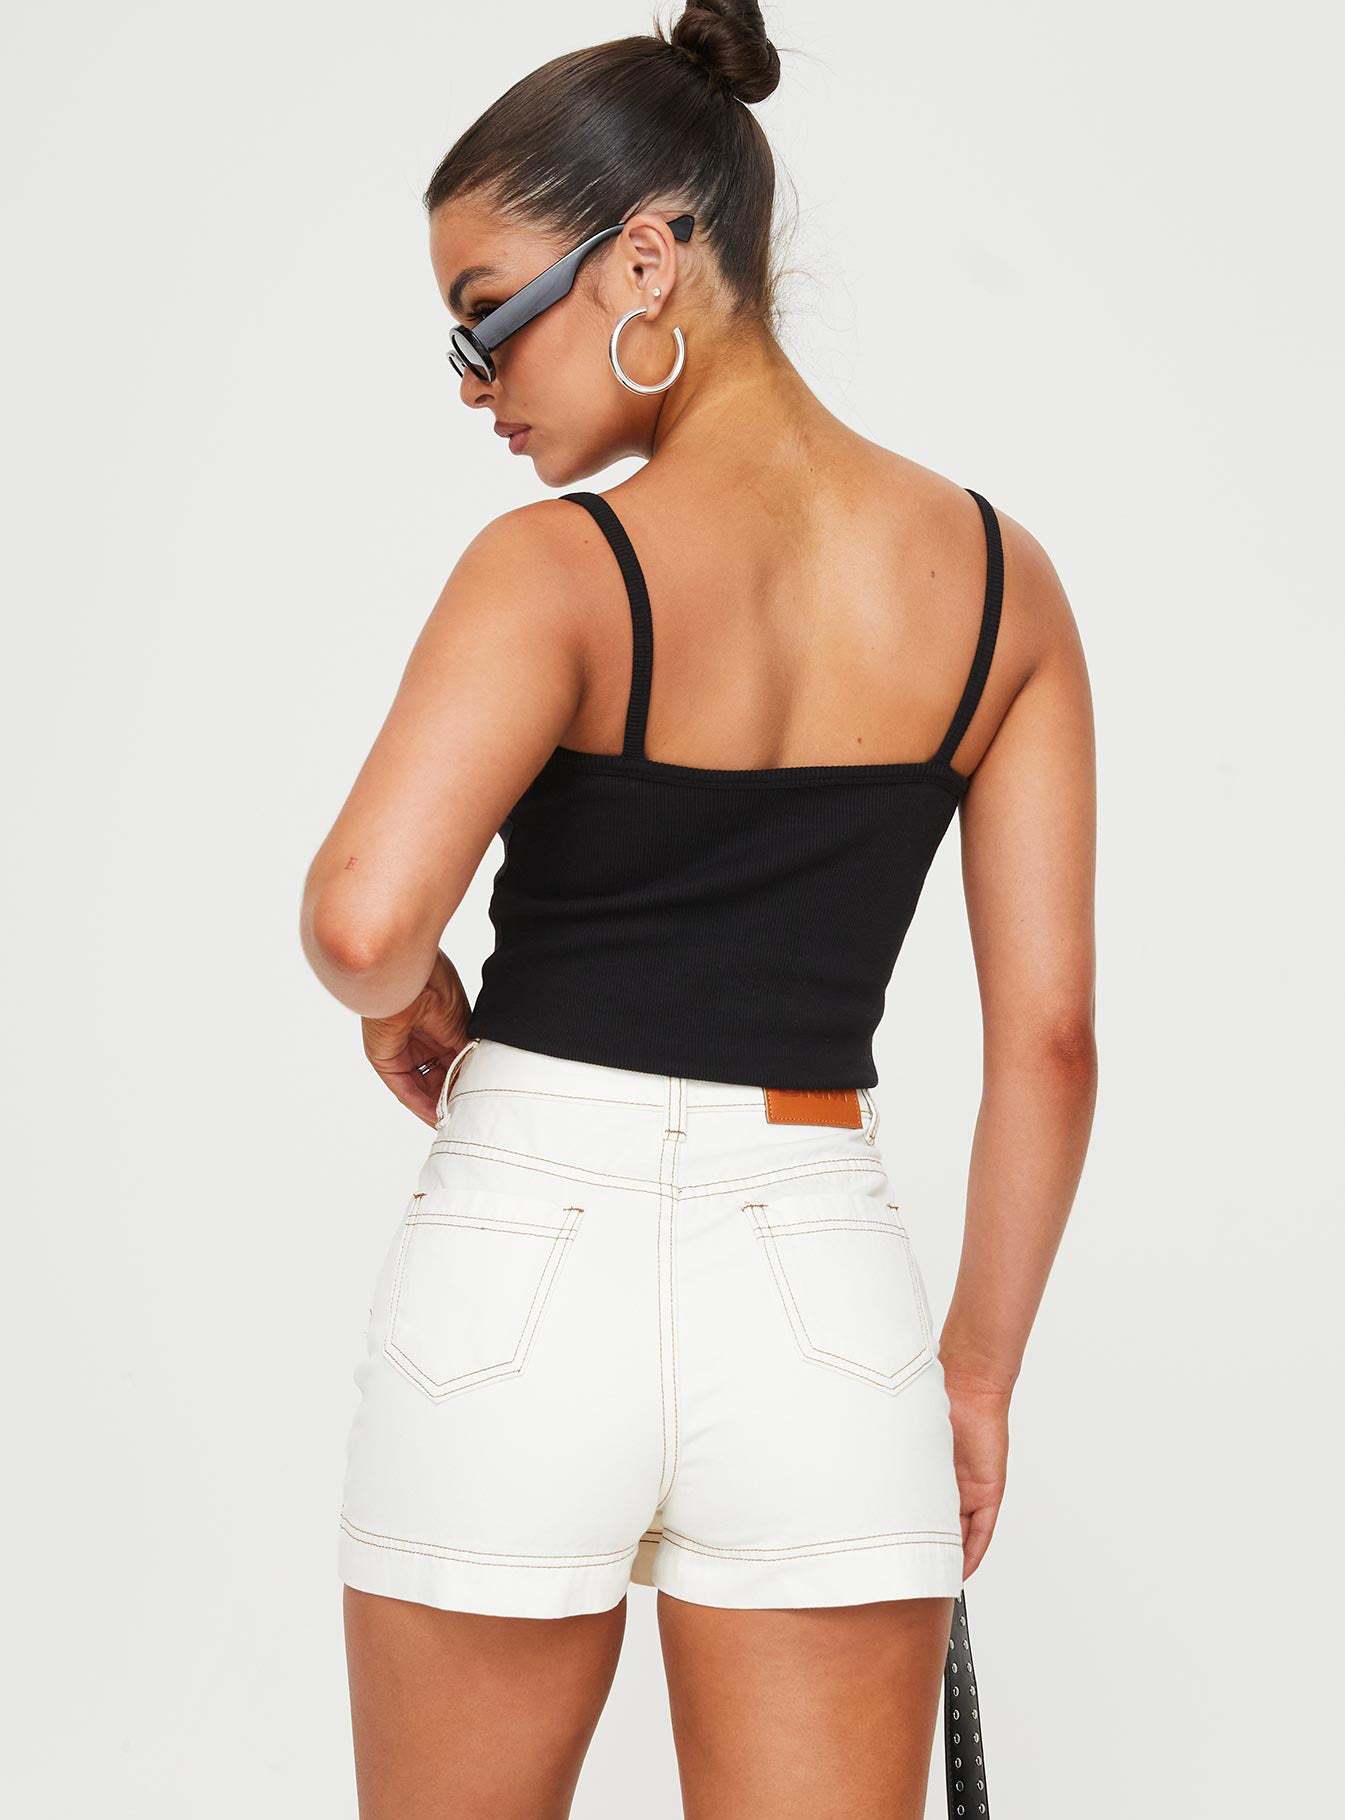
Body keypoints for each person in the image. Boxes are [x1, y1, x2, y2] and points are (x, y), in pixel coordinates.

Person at [299, 3, 1098, 1813]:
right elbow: (1049, 1044)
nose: (474, 383)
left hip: (514, 1266)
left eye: (487, 314)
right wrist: (972, 1380)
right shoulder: (1001, 584)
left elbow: (361, 920)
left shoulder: (557, 572)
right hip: (819, 1282)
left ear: (645, 260)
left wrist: (403, 994)